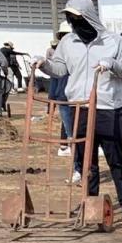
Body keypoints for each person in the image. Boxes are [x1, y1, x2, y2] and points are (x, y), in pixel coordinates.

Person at [37, 0, 122, 219]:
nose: (74, 25)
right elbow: (59, 69)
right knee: (86, 162)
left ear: (88, 17)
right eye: (70, 21)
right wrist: (44, 64)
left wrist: (111, 64)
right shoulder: (68, 43)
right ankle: (88, 202)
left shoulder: (114, 41)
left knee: (116, 159)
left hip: (107, 108)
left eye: (77, 19)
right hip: (79, 108)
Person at [47, 23, 75, 157]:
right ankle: (67, 146)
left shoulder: (79, 51)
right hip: (64, 94)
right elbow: (54, 76)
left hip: (75, 94)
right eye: (63, 35)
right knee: (69, 123)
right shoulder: (59, 54)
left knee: (73, 122)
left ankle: (66, 146)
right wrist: (51, 102)